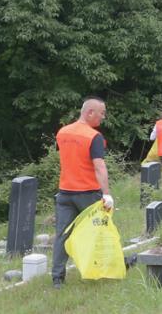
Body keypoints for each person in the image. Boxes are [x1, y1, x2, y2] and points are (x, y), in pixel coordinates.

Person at [53, 98, 112, 287]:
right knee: (100, 230)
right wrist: (107, 194)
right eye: (101, 113)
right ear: (90, 113)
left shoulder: (62, 132)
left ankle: (57, 278)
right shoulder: (94, 137)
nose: (103, 117)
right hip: (87, 193)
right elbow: (99, 167)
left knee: (62, 235)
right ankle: (105, 268)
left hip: (64, 192)